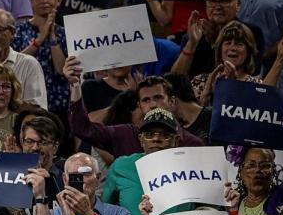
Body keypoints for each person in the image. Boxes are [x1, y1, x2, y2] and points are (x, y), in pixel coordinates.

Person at [64, 65, 205, 158]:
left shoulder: (193, 144)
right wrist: (75, 85)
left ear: (172, 101)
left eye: (158, 98)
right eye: (146, 100)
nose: (153, 105)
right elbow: (82, 128)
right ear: (139, 105)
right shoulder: (124, 135)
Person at [102, 108, 191, 215]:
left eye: (165, 135)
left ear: (176, 141)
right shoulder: (121, 166)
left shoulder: (192, 169)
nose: (156, 139)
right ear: (141, 140)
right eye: (149, 135)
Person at [52, 152, 134, 215]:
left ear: (98, 178)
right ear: (65, 179)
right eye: (74, 176)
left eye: (86, 174)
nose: (81, 182)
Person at [13, 0, 69, 116]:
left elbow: (62, 69)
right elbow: (15, 65)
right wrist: (40, 39)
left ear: (58, 0)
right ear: (30, 1)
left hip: (60, 107)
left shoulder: (66, 33)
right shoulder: (18, 31)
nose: (44, 0)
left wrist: (52, 37)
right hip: (27, 105)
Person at [191, 21, 262, 105]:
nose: (232, 48)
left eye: (239, 44)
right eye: (228, 43)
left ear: (248, 51)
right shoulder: (199, 81)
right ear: (220, 49)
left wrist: (230, 85)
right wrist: (206, 94)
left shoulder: (257, 86)